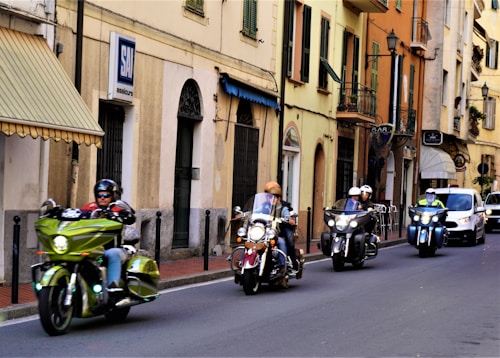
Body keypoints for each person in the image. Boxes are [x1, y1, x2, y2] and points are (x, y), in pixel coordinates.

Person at [82, 179, 136, 291]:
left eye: (106, 195)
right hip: (92, 248)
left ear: (113, 196)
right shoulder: (90, 207)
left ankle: (112, 287)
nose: (102, 198)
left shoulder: (117, 208)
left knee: (112, 254)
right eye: (100, 195)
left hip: (113, 248)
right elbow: (79, 214)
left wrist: (119, 214)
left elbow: (130, 217)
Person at [263, 181, 299, 274]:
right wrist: (244, 215)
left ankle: (286, 264)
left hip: (278, 230)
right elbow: (254, 212)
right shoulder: (264, 206)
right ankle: (243, 262)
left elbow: (287, 214)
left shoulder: (283, 207)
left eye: (272, 196)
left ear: (278, 197)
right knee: (251, 241)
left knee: (285, 240)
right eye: (268, 196)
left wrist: (289, 219)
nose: (270, 198)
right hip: (264, 232)